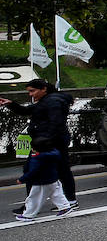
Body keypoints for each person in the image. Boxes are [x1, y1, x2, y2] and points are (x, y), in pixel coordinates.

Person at [1, 79, 76, 208]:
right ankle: (68, 200)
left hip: (49, 143)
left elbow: (56, 123)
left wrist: (44, 141)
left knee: (36, 170)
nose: (30, 94)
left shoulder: (53, 102)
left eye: (32, 91)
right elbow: (26, 111)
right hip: (49, 142)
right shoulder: (47, 101)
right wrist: (10, 104)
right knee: (60, 170)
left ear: (43, 89)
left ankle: (32, 206)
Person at [14, 137, 74, 221]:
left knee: (34, 198)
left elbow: (32, 171)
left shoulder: (37, 158)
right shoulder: (54, 154)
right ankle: (65, 207)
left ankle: (28, 214)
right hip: (54, 179)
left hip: (41, 182)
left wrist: (22, 179)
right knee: (56, 194)